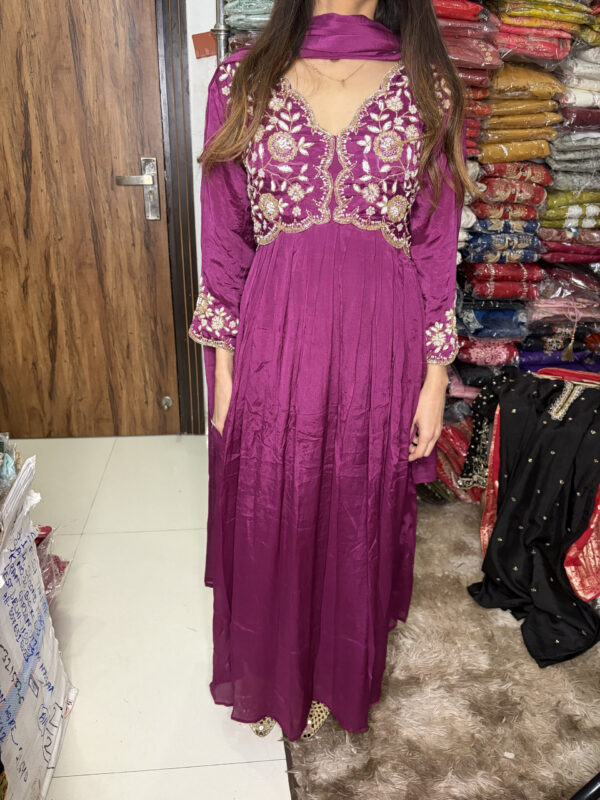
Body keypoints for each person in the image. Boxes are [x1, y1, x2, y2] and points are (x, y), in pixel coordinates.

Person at [189, 0, 471, 742]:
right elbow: (225, 234)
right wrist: (223, 365)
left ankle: (335, 674)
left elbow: (436, 239)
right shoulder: (243, 79)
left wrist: (435, 377)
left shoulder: (429, 85)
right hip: (277, 332)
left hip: (382, 338)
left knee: (355, 504)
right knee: (273, 498)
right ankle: (275, 672)